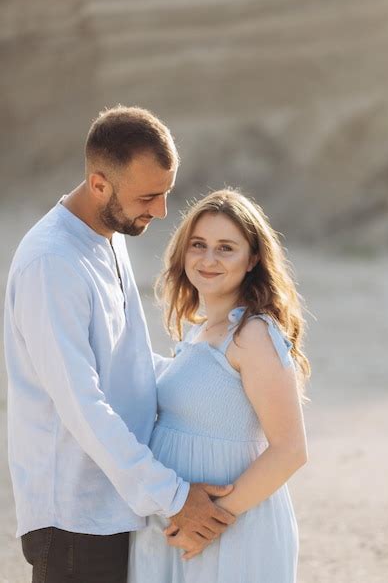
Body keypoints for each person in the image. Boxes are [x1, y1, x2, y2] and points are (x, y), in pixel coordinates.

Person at [3, 106, 235, 583]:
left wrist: (214, 372)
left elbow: (125, 363)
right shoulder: (51, 263)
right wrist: (173, 495)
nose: (162, 211)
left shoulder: (109, 235)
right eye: (148, 196)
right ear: (99, 184)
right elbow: (82, 404)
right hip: (73, 520)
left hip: (117, 506)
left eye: (166, 193)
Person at [128, 188, 310, 583]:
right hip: (185, 526)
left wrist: (211, 521)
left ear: (253, 259)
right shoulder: (198, 332)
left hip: (231, 530)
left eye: (226, 248)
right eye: (199, 245)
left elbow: (290, 450)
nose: (208, 259)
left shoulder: (254, 334)